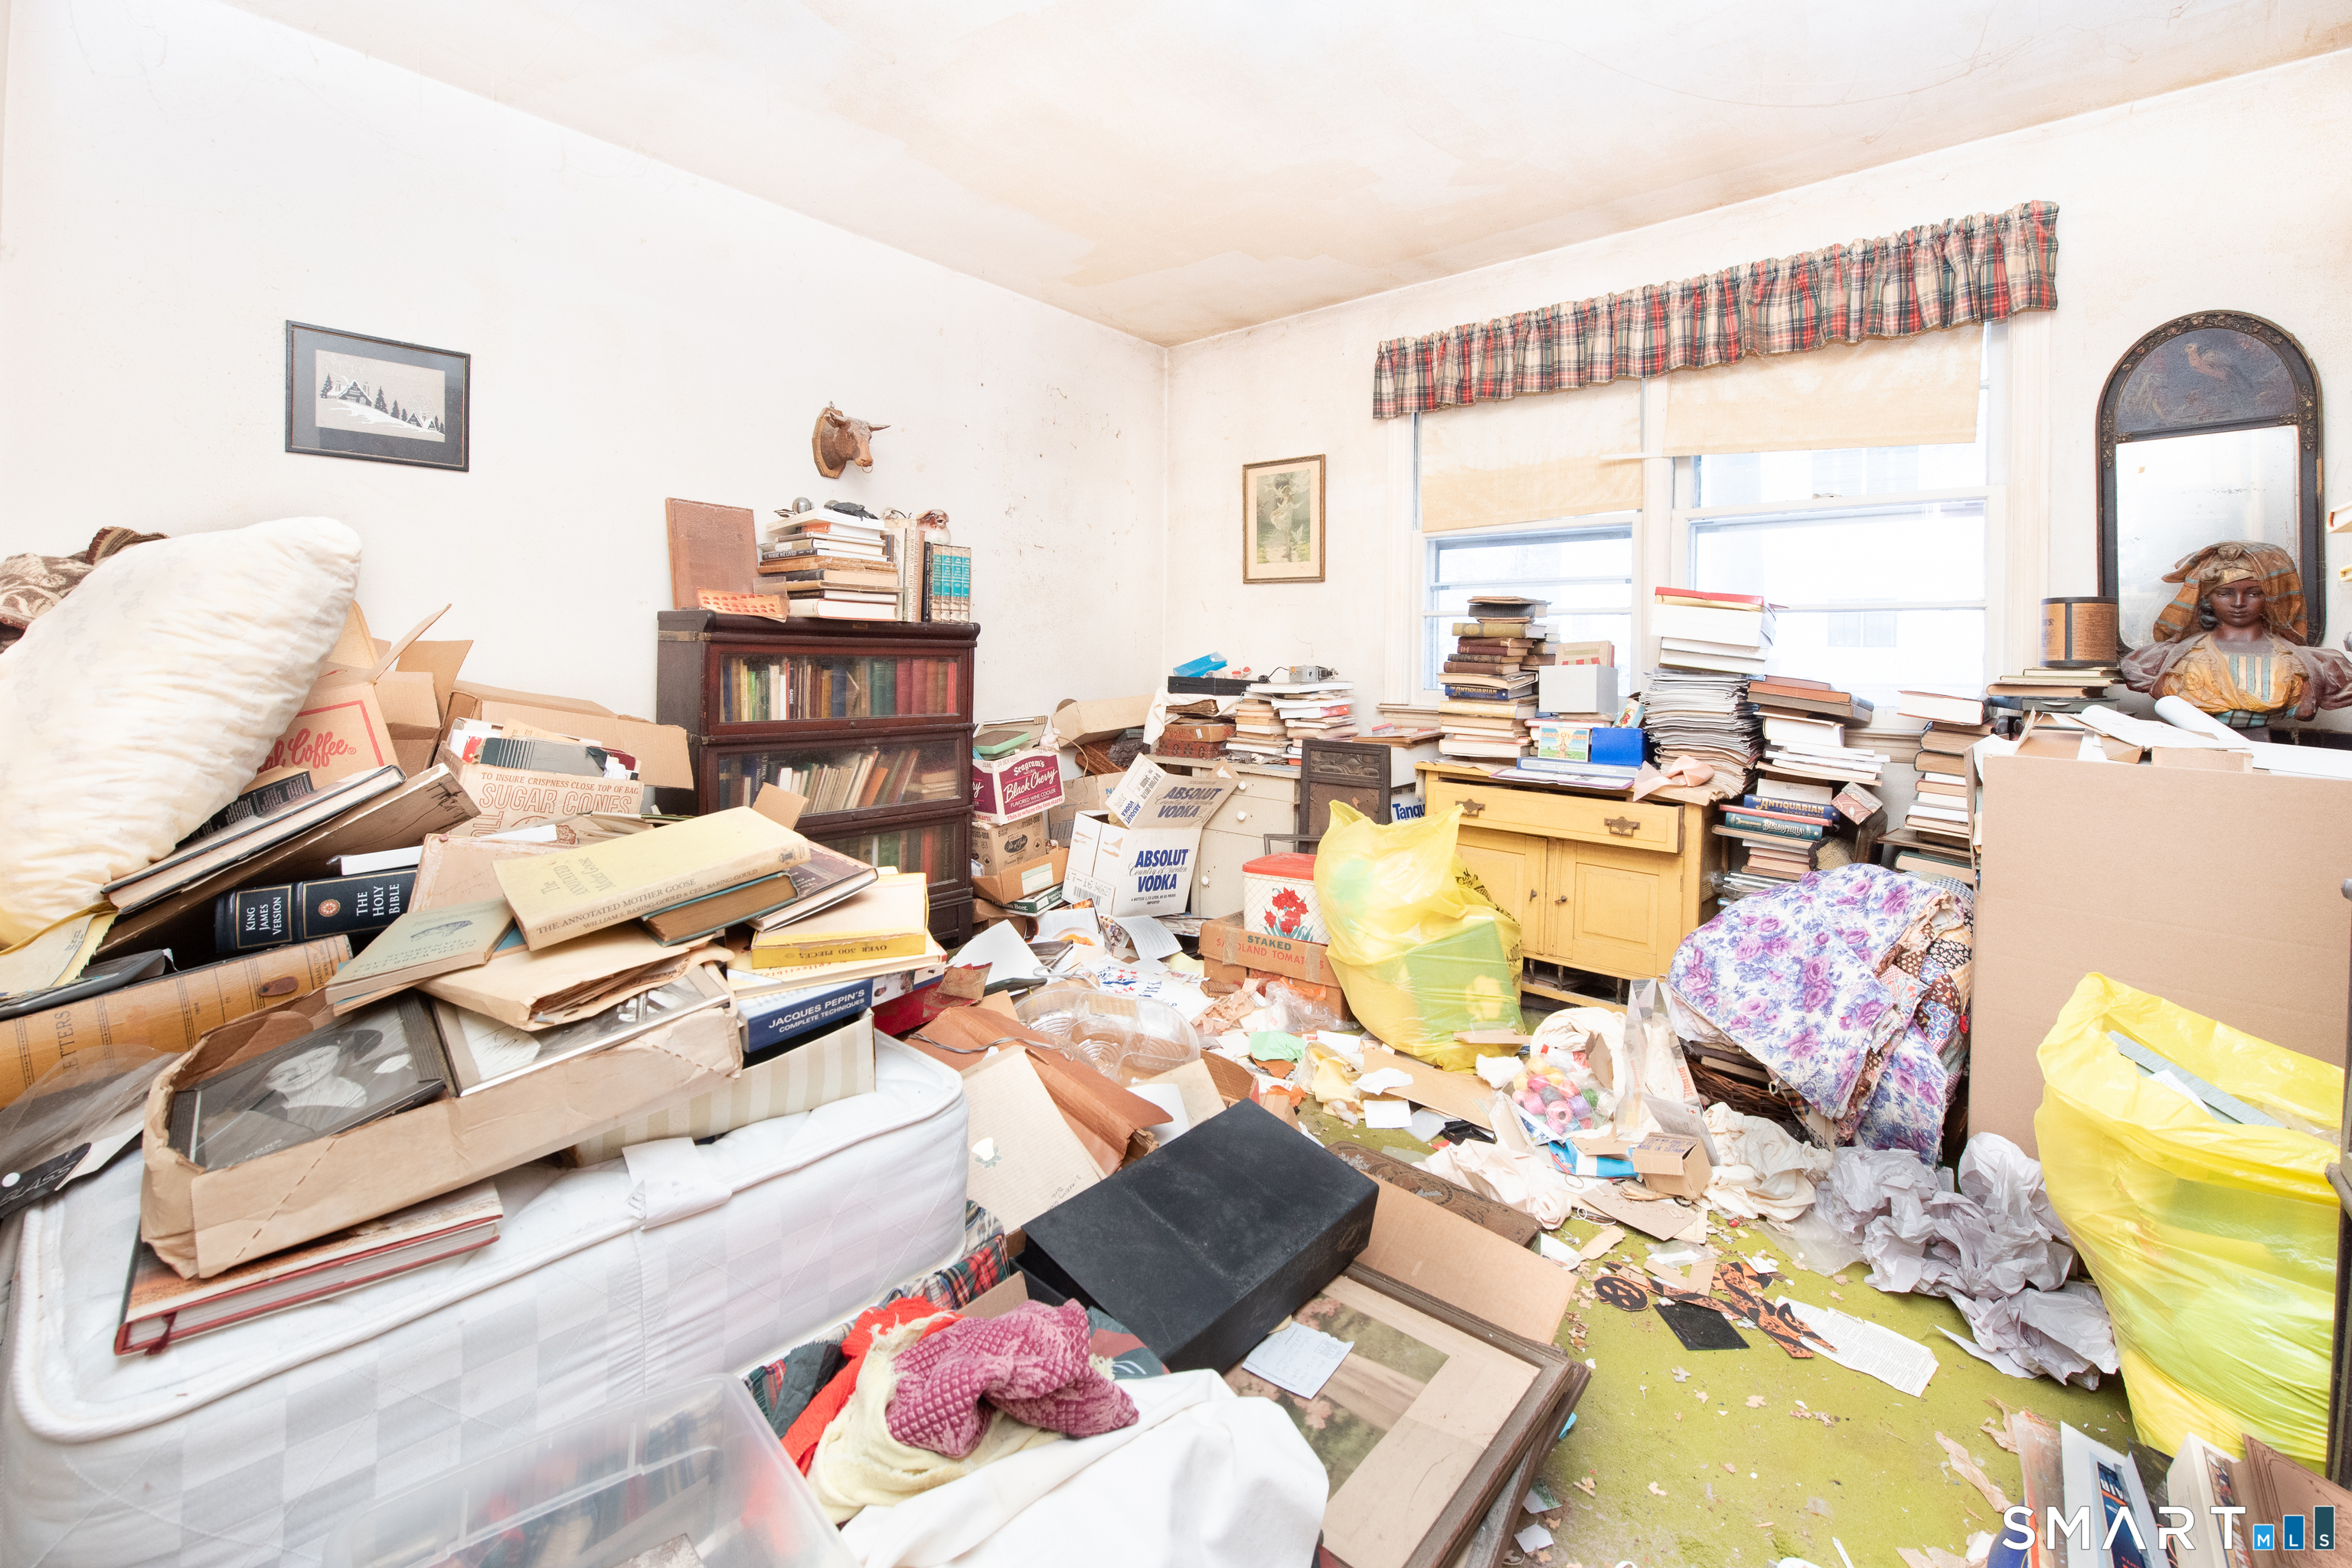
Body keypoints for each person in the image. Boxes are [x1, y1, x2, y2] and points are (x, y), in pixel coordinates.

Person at [2120, 541, 2352, 738]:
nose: (2239, 603)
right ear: (2207, 599)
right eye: (2225, 593)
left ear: (2270, 598)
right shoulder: (2160, 661)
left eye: (2253, 593)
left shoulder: (2315, 665)